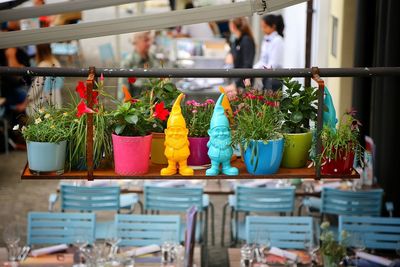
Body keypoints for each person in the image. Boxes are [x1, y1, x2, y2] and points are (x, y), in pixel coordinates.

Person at [121, 31, 161, 97]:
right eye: (146, 40)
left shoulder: (153, 58)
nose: (149, 43)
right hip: (137, 105)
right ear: (136, 41)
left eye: (149, 40)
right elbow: (123, 93)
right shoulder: (128, 62)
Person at [27, 44, 63, 115]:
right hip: (56, 99)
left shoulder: (43, 64)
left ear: (39, 51)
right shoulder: (56, 62)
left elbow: (36, 87)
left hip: (44, 102)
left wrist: (28, 98)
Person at [224, 17, 255, 97]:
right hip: (238, 81)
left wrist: (236, 84)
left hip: (243, 84)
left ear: (233, 26)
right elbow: (230, 55)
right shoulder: (237, 41)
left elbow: (247, 65)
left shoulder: (246, 40)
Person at [253, 14, 285, 91]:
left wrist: (259, 70)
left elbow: (273, 64)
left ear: (273, 26)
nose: (262, 29)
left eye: (265, 27)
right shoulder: (266, 39)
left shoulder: (278, 40)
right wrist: (253, 69)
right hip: (267, 76)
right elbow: (263, 60)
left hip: (275, 78)